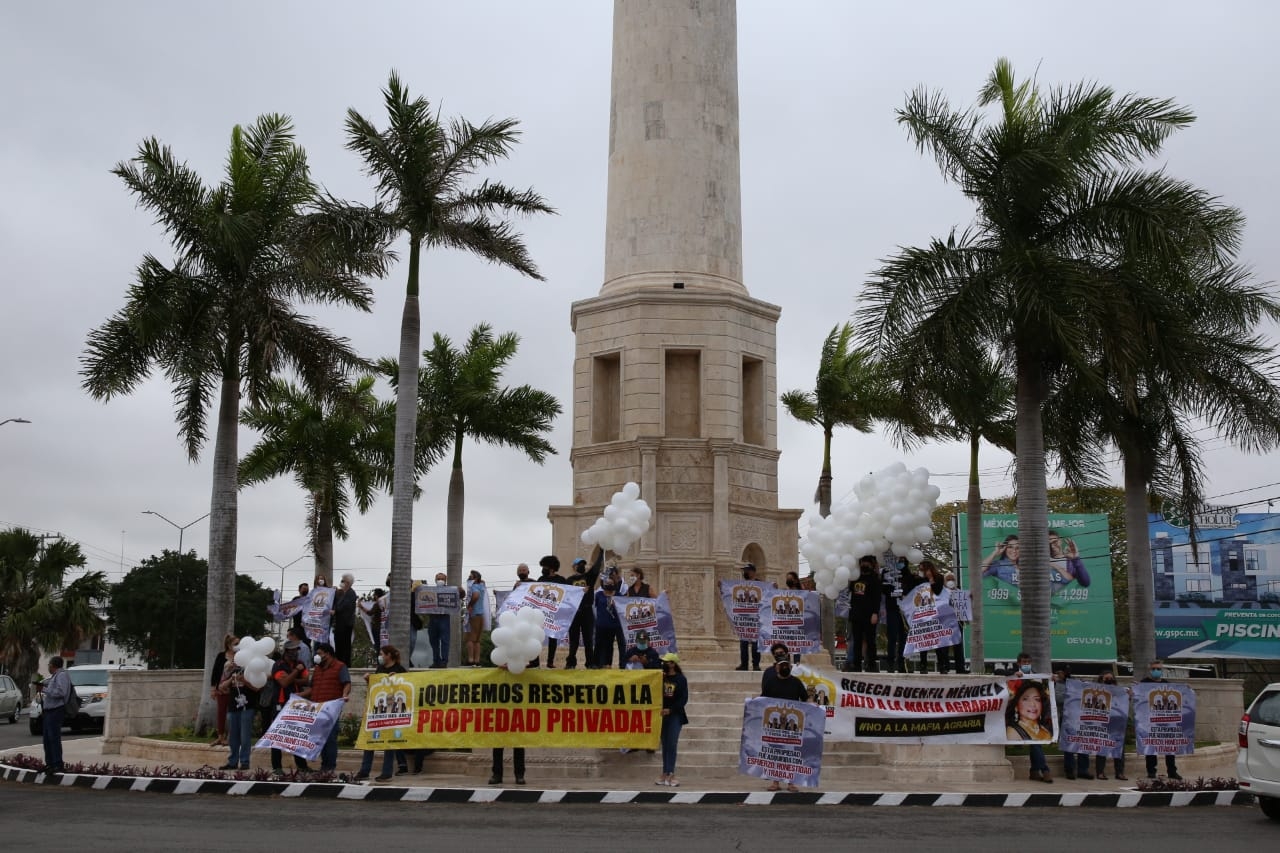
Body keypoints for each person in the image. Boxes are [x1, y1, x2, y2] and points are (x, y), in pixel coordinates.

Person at [357, 645, 411, 782]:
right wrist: (369, 680)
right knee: (370, 741)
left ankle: (386, 772)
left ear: (389, 655)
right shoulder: (380, 669)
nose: (380, 657)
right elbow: (376, 688)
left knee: (389, 743)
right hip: (379, 711)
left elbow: (408, 689)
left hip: (393, 712)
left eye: (382, 654)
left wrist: (397, 679)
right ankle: (364, 770)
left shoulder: (400, 670)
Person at [760, 657, 808, 792]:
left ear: (791, 667)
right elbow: (763, 699)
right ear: (777, 668)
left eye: (787, 665)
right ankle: (775, 782)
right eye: (782, 665)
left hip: (792, 726)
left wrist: (814, 705)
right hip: (775, 726)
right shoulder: (770, 682)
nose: (785, 667)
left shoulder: (796, 682)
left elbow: (805, 698)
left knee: (790, 754)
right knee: (775, 753)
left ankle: (791, 782)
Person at [266, 639, 312, 775]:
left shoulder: (300, 664)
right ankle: (277, 767)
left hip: (297, 704)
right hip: (280, 704)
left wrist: (293, 676)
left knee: (297, 735)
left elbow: (306, 680)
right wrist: (296, 672)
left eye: (297, 650)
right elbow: (284, 683)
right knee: (277, 736)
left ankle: (302, 766)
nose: (295, 652)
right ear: (286, 651)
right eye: (293, 650)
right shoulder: (278, 665)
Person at [1007, 652, 1053, 783]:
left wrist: (1051, 680)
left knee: (1035, 743)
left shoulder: (1037, 676)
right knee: (1036, 743)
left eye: (1028, 662)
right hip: (1019, 719)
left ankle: (1034, 771)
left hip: (1035, 720)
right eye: (1023, 662)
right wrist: (1013, 675)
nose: (1026, 664)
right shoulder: (1013, 674)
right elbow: (1000, 673)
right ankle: (1045, 770)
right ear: (1018, 663)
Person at [309, 641, 352, 772]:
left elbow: (347, 683)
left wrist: (344, 695)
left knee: (330, 738)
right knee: (320, 738)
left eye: (319, 654)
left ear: (328, 654)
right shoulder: (317, 669)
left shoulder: (340, 667)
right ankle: (324, 765)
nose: (317, 656)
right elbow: (312, 687)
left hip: (331, 708)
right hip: (317, 708)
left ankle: (330, 766)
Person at [217, 647, 259, 771]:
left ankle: (245, 761)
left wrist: (244, 681)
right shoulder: (232, 670)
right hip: (233, 706)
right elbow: (222, 687)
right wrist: (231, 678)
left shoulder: (251, 670)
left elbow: (257, 688)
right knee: (233, 736)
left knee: (245, 736)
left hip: (247, 706)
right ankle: (233, 761)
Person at [1142, 660, 1182, 780]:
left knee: (1169, 746)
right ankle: (1151, 771)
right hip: (1150, 721)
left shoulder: (1167, 684)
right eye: (1154, 669)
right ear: (1150, 670)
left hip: (1166, 722)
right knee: (1151, 746)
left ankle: (1172, 771)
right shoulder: (1143, 683)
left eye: (1158, 669)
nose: (1156, 671)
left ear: (1162, 670)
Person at [843, 555, 883, 673]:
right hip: (856, 614)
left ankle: (871, 664)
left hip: (869, 615)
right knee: (856, 641)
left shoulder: (875, 579)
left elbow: (877, 598)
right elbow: (850, 591)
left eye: (866, 563)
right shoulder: (855, 577)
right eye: (862, 563)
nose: (864, 565)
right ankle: (856, 665)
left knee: (870, 641)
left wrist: (875, 613)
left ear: (871, 565)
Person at [656, 653, 688, 787]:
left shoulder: (680, 679)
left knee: (672, 744)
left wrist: (671, 709)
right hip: (662, 714)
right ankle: (665, 772)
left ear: (673, 664)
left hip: (675, 715)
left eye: (667, 662)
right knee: (665, 744)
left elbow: (683, 699)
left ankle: (671, 773)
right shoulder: (661, 677)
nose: (664, 664)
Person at [1054, 667, 1092, 779]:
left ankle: (1083, 770)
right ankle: (1069, 770)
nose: (1058, 675)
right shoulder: (1058, 685)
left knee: (1083, 743)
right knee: (1068, 745)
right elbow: (1058, 699)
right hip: (1067, 718)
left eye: (1060, 672)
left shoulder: (1078, 683)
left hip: (1081, 718)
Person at [916, 561, 954, 674]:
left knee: (937, 640)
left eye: (923, 569)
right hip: (923, 612)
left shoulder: (939, 577)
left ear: (929, 569)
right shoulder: (919, 579)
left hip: (936, 612)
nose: (921, 572)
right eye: (920, 570)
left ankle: (942, 665)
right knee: (925, 639)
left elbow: (937, 591)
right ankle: (923, 665)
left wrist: (931, 579)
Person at [565, 553, 602, 668]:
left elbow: (596, 566)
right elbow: (565, 595)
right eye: (579, 564)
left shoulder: (589, 577)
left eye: (583, 564)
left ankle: (590, 663)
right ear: (574, 567)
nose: (582, 566)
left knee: (588, 639)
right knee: (574, 640)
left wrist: (601, 551)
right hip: (574, 612)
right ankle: (571, 663)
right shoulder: (569, 580)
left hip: (587, 610)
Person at [40, 656, 72, 773]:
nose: (48, 666)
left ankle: (57, 764)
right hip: (49, 711)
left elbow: (61, 692)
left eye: (49, 664)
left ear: (53, 665)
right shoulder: (55, 676)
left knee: (53, 738)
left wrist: (44, 689)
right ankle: (50, 763)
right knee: (47, 739)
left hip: (56, 710)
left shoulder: (62, 675)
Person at [1094, 671, 1127, 780]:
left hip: (1117, 722)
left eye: (1110, 678)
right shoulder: (1097, 690)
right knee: (1102, 747)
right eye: (1106, 679)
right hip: (1103, 722)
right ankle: (1100, 772)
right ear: (1101, 680)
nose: (1108, 681)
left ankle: (1119, 772)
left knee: (1119, 748)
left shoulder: (1120, 691)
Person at [209, 632, 237, 748]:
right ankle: (220, 736)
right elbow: (215, 672)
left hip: (234, 688)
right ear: (229, 645)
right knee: (221, 712)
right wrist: (213, 689)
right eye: (235, 644)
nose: (237, 646)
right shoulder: (221, 655)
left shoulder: (240, 656)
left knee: (232, 713)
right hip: (221, 688)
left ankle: (231, 736)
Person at [538, 555, 566, 667]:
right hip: (541, 611)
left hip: (554, 613)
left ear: (551, 567)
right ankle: (535, 661)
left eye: (544, 566)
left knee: (552, 637)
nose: (543, 568)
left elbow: (569, 593)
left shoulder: (561, 580)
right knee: (536, 635)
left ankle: (550, 662)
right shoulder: (540, 580)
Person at [735, 563, 764, 671]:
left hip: (756, 619)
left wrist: (773, 587)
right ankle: (744, 664)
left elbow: (768, 594)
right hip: (744, 619)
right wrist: (722, 586)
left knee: (756, 644)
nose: (745, 572)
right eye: (744, 570)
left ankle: (756, 664)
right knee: (743, 643)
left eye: (747, 570)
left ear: (753, 572)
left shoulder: (759, 584)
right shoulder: (740, 585)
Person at [594, 577, 626, 668]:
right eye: (607, 583)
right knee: (598, 644)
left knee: (609, 645)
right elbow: (596, 606)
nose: (609, 585)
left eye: (611, 583)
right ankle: (597, 664)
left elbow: (622, 608)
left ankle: (608, 664)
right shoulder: (599, 594)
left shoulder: (618, 595)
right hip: (601, 624)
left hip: (614, 624)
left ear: (614, 584)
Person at [1049, 529, 1092, 594]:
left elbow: (1085, 582)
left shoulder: (1070, 562)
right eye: (1048, 544)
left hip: (1064, 601)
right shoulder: (1041, 562)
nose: (1052, 546)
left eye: (1055, 542)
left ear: (1060, 541)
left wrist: (1076, 559)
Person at [331, 573, 358, 666]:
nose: (341, 582)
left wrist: (335, 611)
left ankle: (344, 664)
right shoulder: (343, 593)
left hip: (345, 624)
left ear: (348, 582)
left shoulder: (351, 593)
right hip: (340, 624)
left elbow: (344, 607)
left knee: (344, 646)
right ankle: (340, 663)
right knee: (339, 645)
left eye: (343, 581)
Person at [427, 572, 450, 668]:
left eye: (442, 579)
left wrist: (460, 590)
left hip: (444, 617)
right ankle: (436, 661)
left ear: (445, 581)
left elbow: (461, 594)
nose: (440, 580)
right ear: (435, 580)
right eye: (438, 579)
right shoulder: (430, 590)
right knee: (433, 641)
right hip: (433, 618)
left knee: (445, 640)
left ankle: (444, 661)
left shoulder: (450, 590)